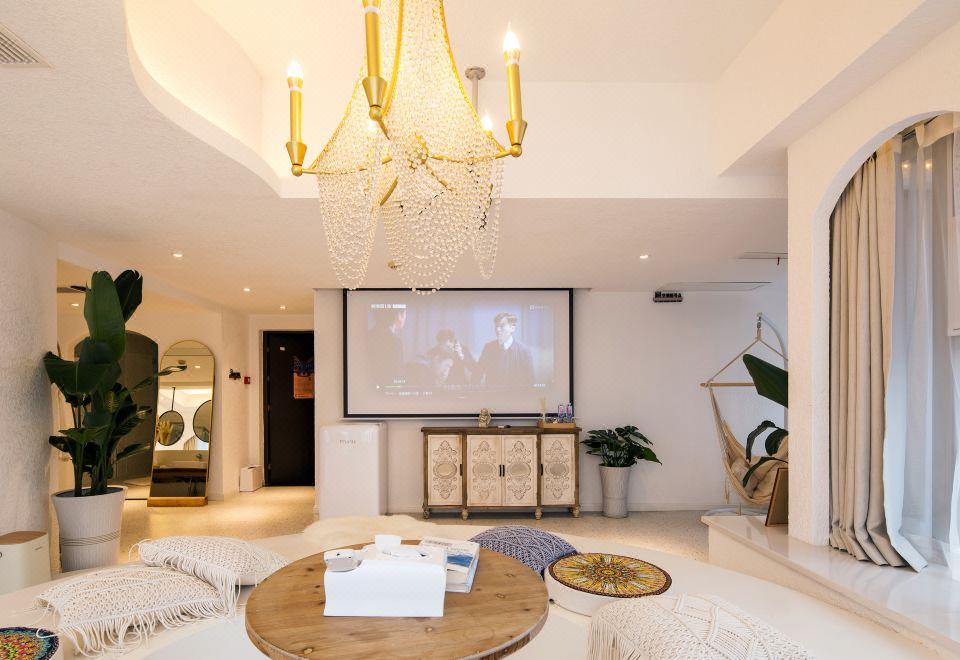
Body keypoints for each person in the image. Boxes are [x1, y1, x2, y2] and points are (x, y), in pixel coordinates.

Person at [475, 312, 534, 388]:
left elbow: (530, 382)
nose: (497, 329)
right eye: (496, 326)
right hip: (492, 394)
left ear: (512, 328)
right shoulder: (488, 348)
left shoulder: (524, 351)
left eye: (501, 326)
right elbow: (477, 374)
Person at [368, 306, 406, 385]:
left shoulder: (367, 335)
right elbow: (397, 374)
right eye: (405, 314)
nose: (405, 318)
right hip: (387, 389)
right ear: (399, 315)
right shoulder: (395, 342)